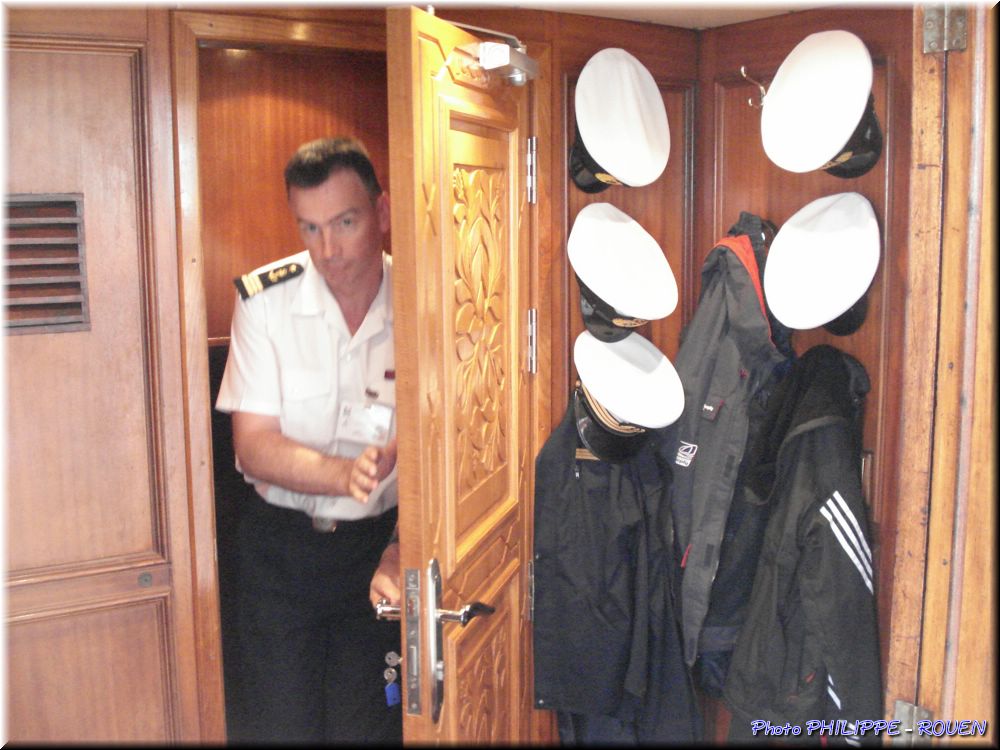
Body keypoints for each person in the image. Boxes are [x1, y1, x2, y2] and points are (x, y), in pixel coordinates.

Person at [216, 136, 402, 744]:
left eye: (345, 222)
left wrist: (402, 544)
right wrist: (342, 475)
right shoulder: (265, 302)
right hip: (282, 552)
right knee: (281, 727)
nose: (328, 249)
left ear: (381, 211)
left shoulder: (427, 300)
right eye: (310, 228)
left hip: (378, 549)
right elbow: (253, 444)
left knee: (368, 728)